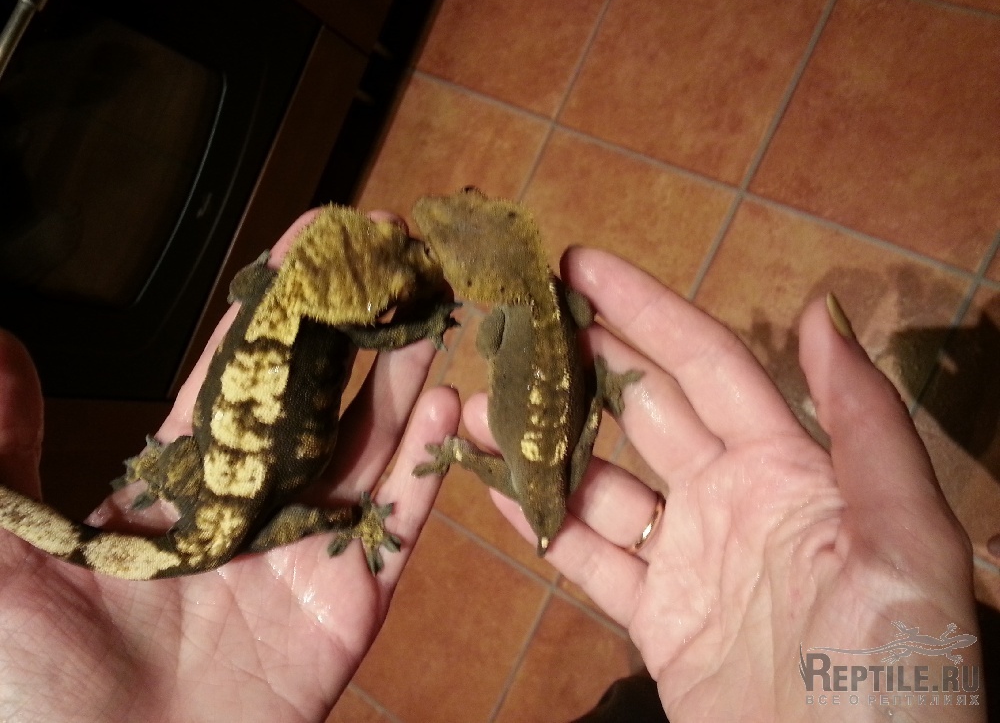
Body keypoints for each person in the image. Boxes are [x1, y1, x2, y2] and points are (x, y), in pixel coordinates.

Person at [0, 211, 983, 721]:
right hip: (236, 504)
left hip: (214, 482)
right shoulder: (309, 313)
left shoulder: (267, 292)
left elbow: (251, 285)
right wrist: (348, 516)